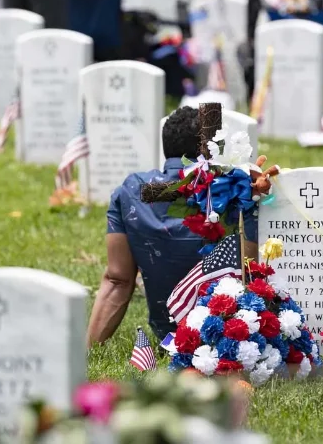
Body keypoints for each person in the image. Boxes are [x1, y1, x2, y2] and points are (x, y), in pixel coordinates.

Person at [86, 106, 259, 345]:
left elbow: (118, 280)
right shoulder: (235, 189)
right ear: (211, 148)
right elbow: (252, 274)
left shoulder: (130, 190)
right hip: (231, 335)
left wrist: (88, 348)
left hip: (167, 336)